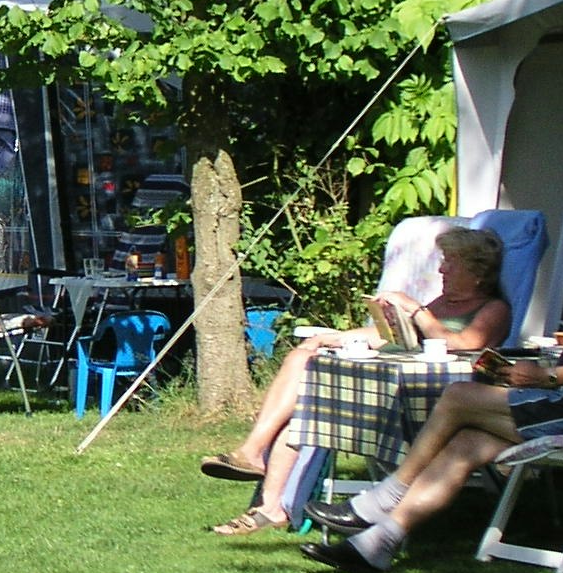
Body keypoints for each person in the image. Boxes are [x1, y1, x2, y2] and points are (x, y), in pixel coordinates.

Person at [301, 189, 563, 573]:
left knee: (458, 397)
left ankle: (384, 497)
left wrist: (549, 377)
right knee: (466, 443)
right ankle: (378, 544)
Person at [199, 226, 511, 536]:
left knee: (307, 402)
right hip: (387, 393)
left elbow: (462, 342)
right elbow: (388, 338)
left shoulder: (494, 309)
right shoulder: (442, 304)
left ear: (478, 271)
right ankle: (269, 498)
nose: (442, 268)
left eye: (450, 261)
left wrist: (414, 309)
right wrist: (329, 338)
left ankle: (258, 463)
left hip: (430, 406)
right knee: (302, 371)